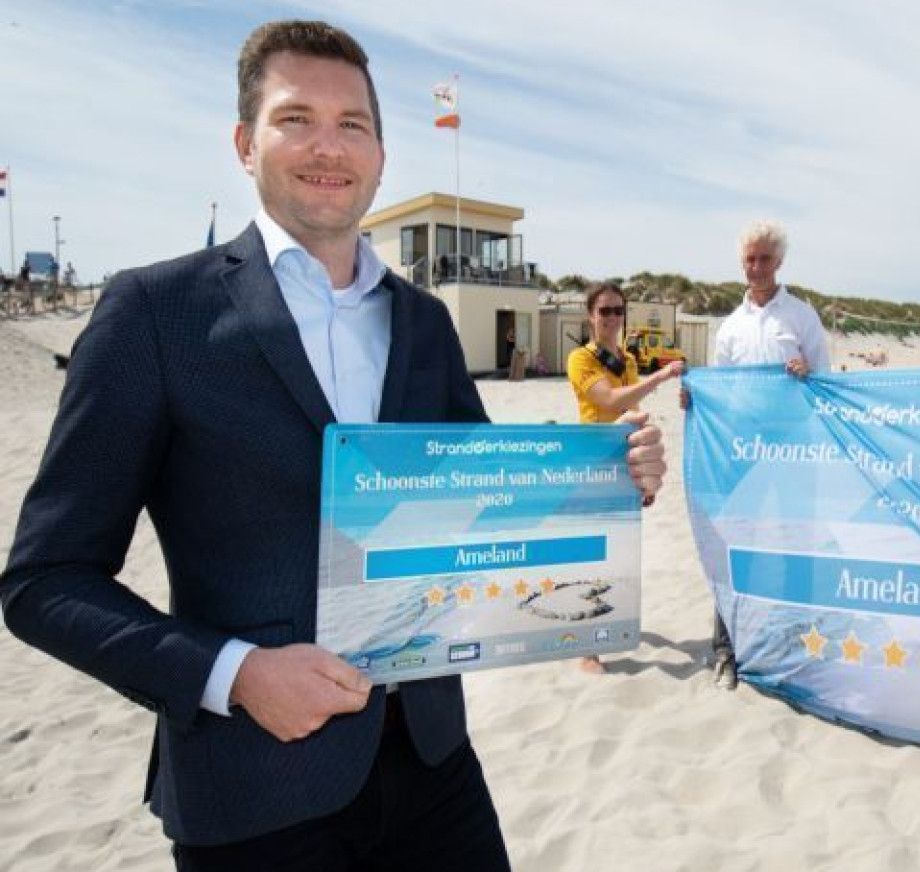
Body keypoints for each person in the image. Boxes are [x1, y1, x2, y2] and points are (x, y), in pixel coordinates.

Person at [0, 20, 666, 869]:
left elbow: (481, 498)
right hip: (254, 793)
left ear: (381, 156)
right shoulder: (153, 314)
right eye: (295, 118)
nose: (328, 146)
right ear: (245, 143)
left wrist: (611, 479)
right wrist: (234, 674)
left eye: (352, 124)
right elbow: (45, 582)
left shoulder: (422, 324)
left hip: (433, 764)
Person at [681, 219, 829, 690]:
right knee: (731, 545)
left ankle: (798, 640)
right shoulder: (730, 326)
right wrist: (696, 399)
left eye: (765, 258)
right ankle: (726, 646)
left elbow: (827, 382)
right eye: (750, 258)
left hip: (794, 455)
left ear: (780, 262)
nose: (757, 267)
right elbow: (720, 390)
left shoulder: (802, 317)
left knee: (796, 548)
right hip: (741, 457)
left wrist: (808, 371)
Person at [565, 282, 682, 673]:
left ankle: (605, 627)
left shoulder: (628, 360)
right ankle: (587, 648)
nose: (612, 318)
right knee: (592, 556)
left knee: (620, 555)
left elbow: (631, 411)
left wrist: (643, 480)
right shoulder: (580, 359)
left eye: (618, 311)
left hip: (625, 462)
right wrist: (662, 377)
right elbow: (612, 402)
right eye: (605, 311)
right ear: (591, 316)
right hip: (593, 465)